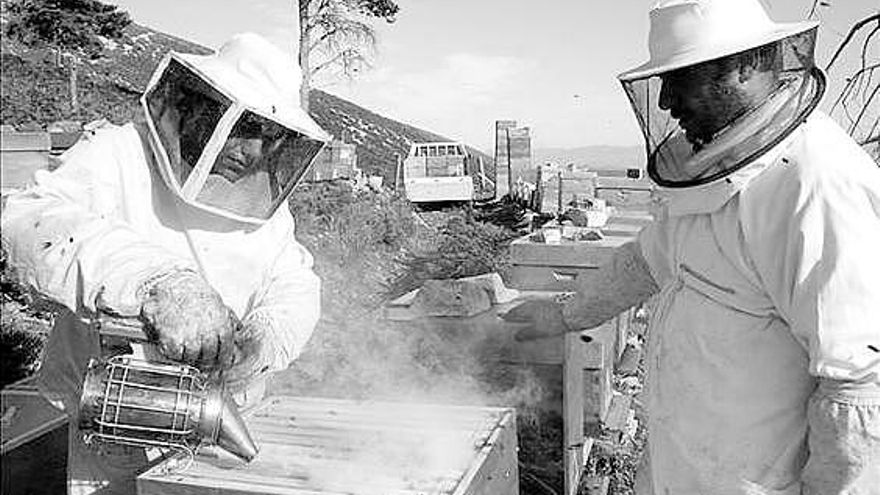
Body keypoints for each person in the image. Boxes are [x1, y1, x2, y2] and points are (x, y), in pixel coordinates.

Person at [503, 0, 880, 493]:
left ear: (745, 65)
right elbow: (647, 262)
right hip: (683, 467)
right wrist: (566, 314)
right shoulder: (714, 173)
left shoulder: (818, 186)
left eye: (681, 79)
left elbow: (859, 387)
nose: (664, 102)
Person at [1, 33, 330, 494]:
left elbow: (294, 282)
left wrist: (267, 338)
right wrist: (158, 282)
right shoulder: (117, 155)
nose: (251, 151)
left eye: (267, 136)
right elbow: (30, 222)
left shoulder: (261, 199)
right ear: (200, 106)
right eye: (242, 127)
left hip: (224, 425)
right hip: (116, 426)